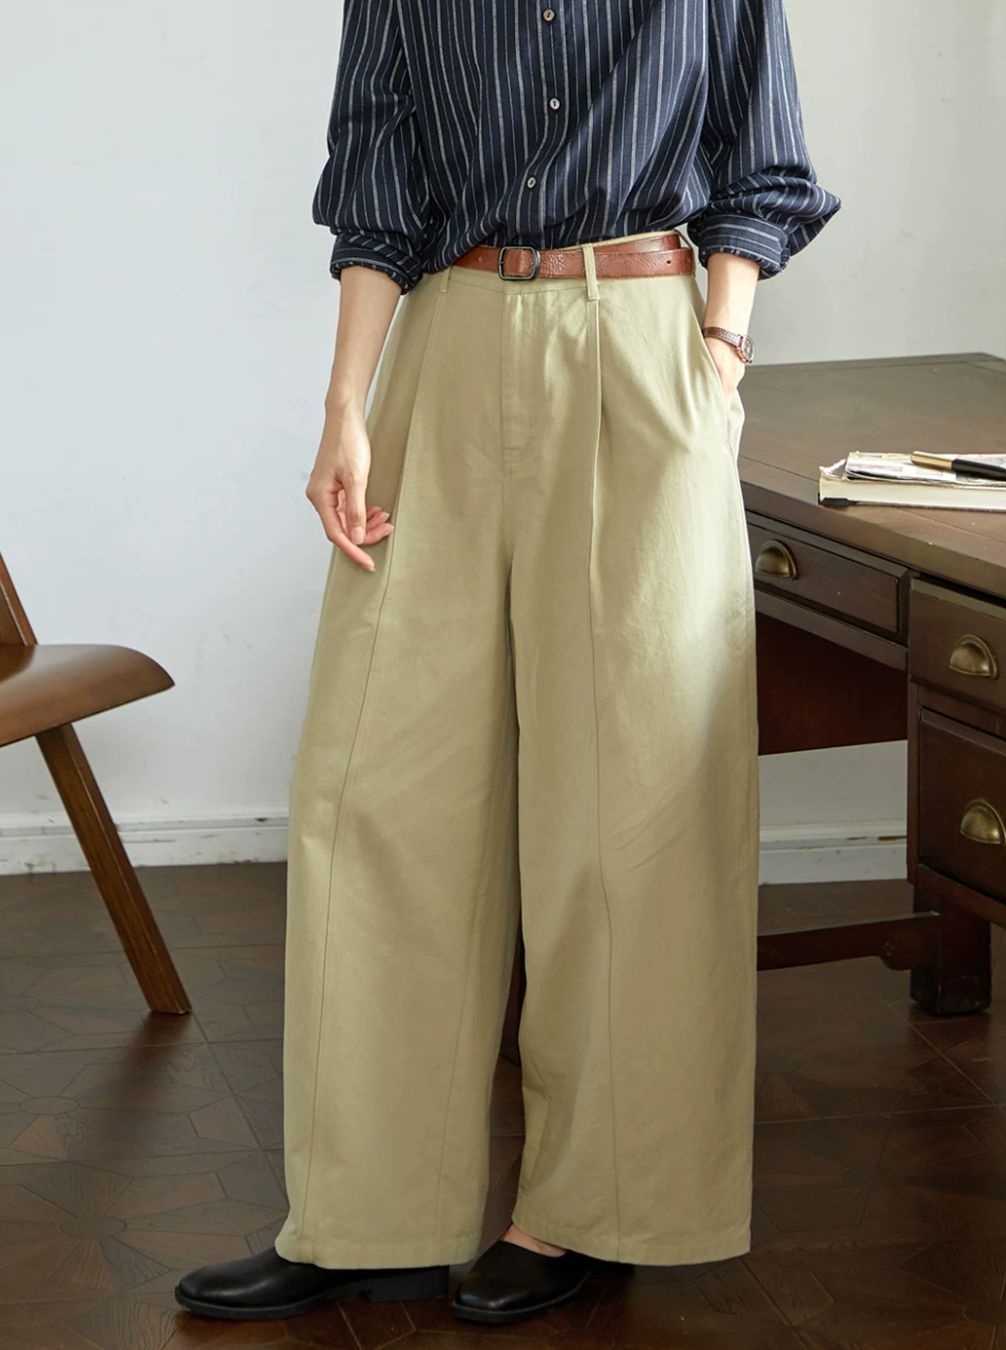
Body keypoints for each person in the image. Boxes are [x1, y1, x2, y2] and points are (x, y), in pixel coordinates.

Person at [176, 0, 840, 1328]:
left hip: (640, 337)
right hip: (451, 337)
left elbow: (763, 165)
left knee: (633, 803)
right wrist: (344, 408)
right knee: (374, 789)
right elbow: (379, 182)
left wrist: (719, 351)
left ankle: (591, 1207)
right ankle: (363, 1214)